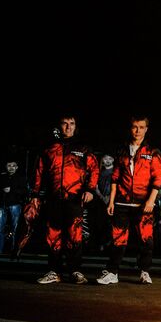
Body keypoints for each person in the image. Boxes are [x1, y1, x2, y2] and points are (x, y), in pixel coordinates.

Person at [96, 116, 161, 285]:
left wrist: (151, 201)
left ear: (146, 129)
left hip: (143, 204)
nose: (137, 131)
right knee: (118, 240)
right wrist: (111, 201)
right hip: (122, 203)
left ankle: (144, 272)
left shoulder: (153, 152)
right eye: (134, 127)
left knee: (146, 240)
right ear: (130, 128)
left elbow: (158, 179)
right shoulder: (122, 150)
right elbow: (115, 178)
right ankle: (112, 272)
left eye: (141, 127)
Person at [33, 114, 99, 284]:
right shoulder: (48, 148)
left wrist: (90, 190)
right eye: (64, 123)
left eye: (72, 124)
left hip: (75, 199)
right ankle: (53, 271)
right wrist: (35, 195)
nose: (68, 127)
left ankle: (75, 271)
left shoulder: (84, 148)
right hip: (53, 199)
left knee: (74, 236)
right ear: (59, 126)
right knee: (52, 236)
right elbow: (39, 172)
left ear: (76, 126)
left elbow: (94, 169)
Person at [0, 160, 28, 255]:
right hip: (2, 205)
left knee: (15, 228)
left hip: (15, 205)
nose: (11, 167)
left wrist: (12, 190)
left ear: (17, 167)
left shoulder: (21, 178)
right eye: (9, 165)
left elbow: (25, 191)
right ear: (6, 167)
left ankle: (14, 249)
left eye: (13, 165)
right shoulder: (2, 177)